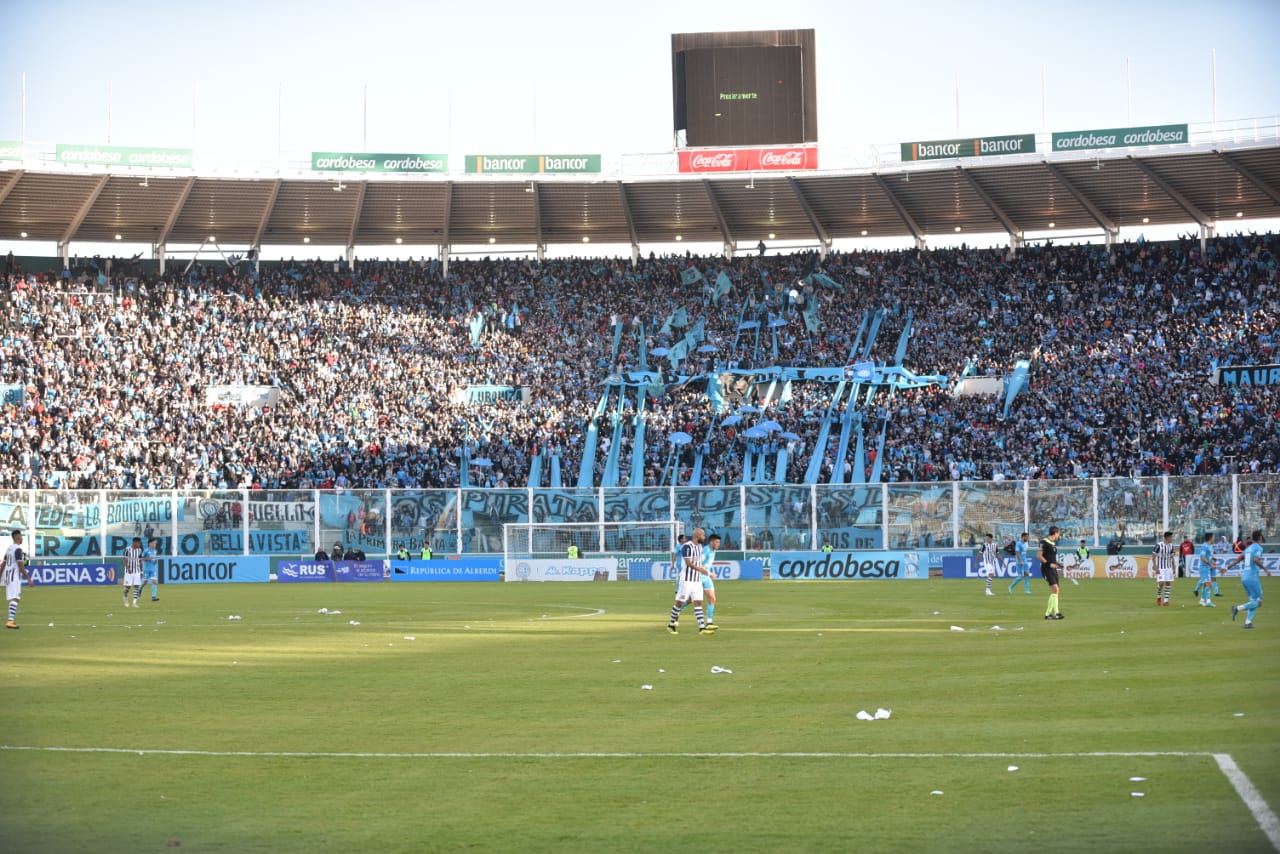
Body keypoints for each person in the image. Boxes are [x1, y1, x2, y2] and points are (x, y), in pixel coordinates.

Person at [667, 527, 712, 634]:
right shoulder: (687, 547)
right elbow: (689, 563)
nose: (704, 537)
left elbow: (698, 563)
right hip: (686, 580)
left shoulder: (700, 547)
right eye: (703, 535)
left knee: (698, 602)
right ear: (697, 536)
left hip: (696, 580)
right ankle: (671, 624)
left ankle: (702, 628)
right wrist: (703, 571)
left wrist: (705, 571)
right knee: (680, 602)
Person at [1228, 530, 1270, 629]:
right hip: (1252, 577)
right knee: (1259, 602)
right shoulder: (1258, 548)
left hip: (1245, 577)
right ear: (1260, 537)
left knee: (1253, 601)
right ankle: (1237, 608)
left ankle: (1248, 623)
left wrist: (1228, 567)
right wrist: (1265, 569)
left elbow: (1238, 559)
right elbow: (1256, 559)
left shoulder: (1248, 549)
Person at [4, 530, 35, 629]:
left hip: (8, 576)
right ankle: (10, 621)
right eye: (21, 537)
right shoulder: (18, 549)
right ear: (17, 538)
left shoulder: (9, 549)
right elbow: (21, 566)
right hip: (14, 576)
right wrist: (29, 579)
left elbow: (3, 565)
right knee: (16, 598)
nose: (22, 538)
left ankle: (10, 620)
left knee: (13, 598)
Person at [1039, 525, 1065, 620]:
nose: (1059, 536)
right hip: (1046, 569)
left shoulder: (1053, 544)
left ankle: (1052, 614)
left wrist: (1058, 564)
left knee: (1056, 591)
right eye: (1059, 533)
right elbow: (1039, 556)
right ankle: (1052, 613)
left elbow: (1052, 558)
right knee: (1055, 589)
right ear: (1055, 533)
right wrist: (1049, 564)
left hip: (1053, 569)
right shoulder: (1044, 542)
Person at [1152, 530, 1178, 606]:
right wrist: (1156, 567)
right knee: (1161, 583)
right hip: (1161, 568)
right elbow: (1153, 557)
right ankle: (1159, 597)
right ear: (1167, 537)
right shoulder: (1159, 545)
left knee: (1168, 583)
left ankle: (1166, 601)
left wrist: (1174, 566)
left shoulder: (1171, 546)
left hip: (1168, 567)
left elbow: (1172, 557)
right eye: (1171, 537)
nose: (1172, 538)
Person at [1193, 532, 1217, 607]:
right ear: (1210, 538)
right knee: (1208, 584)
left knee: (1205, 585)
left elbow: (1208, 555)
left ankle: (1202, 600)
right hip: (1204, 568)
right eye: (1213, 537)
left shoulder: (1210, 546)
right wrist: (1210, 564)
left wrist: (1213, 559)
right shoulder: (1204, 546)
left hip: (1207, 568)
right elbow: (1202, 557)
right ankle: (1208, 601)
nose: (1214, 539)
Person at [122, 536, 144, 608]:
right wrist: (128, 568)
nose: (139, 544)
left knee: (136, 586)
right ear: (135, 542)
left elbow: (140, 561)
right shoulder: (127, 549)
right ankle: (125, 599)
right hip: (129, 571)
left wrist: (141, 571)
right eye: (138, 543)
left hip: (136, 571)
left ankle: (134, 603)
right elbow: (125, 560)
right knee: (128, 587)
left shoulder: (139, 550)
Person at [142, 537, 160, 602]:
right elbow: (141, 558)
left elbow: (154, 559)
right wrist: (148, 559)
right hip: (146, 569)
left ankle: (153, 597)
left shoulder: (155, 551)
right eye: (154, 543)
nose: (155, 545)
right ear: (150, 543)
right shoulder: (146, 551)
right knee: (144, 582)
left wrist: (155, 561)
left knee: (154, 582)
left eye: (155, 543)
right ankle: (139, 591)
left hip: (153, 569)